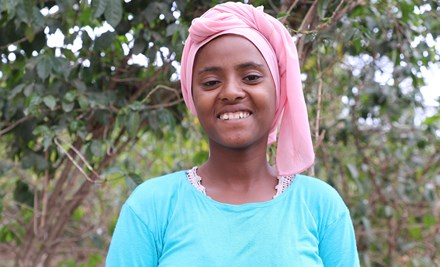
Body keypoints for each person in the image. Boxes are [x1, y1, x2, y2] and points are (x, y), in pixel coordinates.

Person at [106, 2, 360, 266]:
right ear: (191, 96)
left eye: (251, 77)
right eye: (211, 82)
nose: (230, 92)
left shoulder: (321, 207)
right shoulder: (151, 207)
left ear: (279, 90)